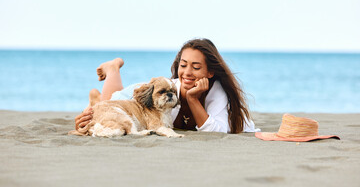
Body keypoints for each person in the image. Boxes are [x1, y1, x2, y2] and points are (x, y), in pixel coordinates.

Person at [75, 38, 258, 134]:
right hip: (142, 93)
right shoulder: (168, 90)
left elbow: (217, 131)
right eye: (183, 64)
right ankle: (113, 68)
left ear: (210, 73)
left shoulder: (217, 93)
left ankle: (98, 95)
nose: (187, 72)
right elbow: (111, 109)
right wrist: (87, 117)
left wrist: (193, 99)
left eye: (196, 67)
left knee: (106, 99)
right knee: (111, 99)